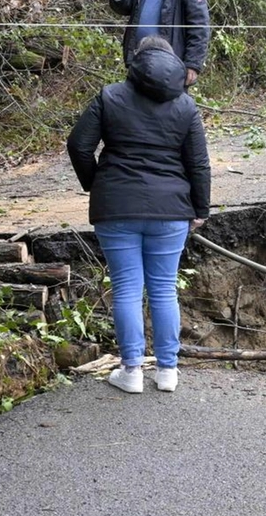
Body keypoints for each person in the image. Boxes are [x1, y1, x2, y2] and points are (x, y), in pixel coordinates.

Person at [67, 36, 211, 394]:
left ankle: (131, 371)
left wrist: (95, 183)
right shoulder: (185, 106)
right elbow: (199, 164)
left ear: (136, 61)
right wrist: (201, 208)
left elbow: (79, 145)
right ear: (173, 64)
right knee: (163, 290)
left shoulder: (110, 96)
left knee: (127, 289)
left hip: (116, 207)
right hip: (171, 210)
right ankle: (167, 371)